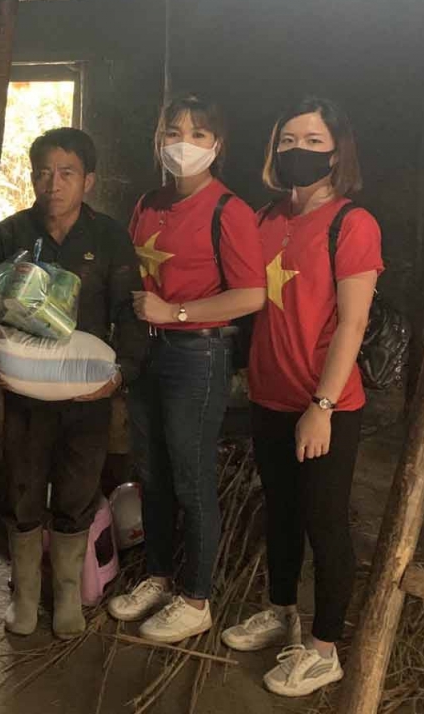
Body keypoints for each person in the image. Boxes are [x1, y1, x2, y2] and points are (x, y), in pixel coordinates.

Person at [222, 98, 382, 698]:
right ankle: (282, 610)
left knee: (325, 520)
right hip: (270, 394)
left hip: (325, 403)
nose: (298, 151)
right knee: (281, 511)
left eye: (313, 141)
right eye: (288, 140)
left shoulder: (351, 224)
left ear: (337, 152)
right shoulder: (264, 219)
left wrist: (323, 406)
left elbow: (353, 323)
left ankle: (323, 649)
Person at [108, 95, 267, 643]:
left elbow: (250, 295)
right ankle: (157, 577)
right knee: (150, 471)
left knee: (190, 476)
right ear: (159, 140)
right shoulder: (148, 203)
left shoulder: (229, 210)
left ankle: (197, 598)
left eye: (198, 134)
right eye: (173, 131)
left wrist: (174, 313)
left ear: (217, 145)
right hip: (148, 351)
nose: (184, 143)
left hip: (197, 353)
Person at [0, 128, 147, 640]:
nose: (52, 184)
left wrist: (120, 375)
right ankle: (24, 597)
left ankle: (67, 597)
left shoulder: (109, 238)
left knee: (78, 491)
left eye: (66, 173)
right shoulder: (9, 235)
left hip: (86, 393)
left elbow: (130, 313)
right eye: (43, 173)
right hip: (26, 393)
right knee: (22, 487)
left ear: (88, 180)